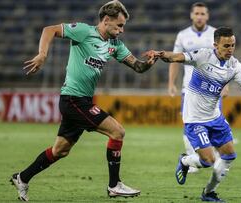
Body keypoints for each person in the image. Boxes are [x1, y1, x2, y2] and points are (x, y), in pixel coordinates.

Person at [10, 1, 158, 201]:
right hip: (73, 99)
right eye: (119, 25)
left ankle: (23, 177)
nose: (122, 30)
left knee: (60, 151)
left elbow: (138, 67)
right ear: (106, 21)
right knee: (118, 131)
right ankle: (115, 185)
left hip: (82, 100)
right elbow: (49, 29)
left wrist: (149, 63)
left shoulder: (115, 45)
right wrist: (43, 54)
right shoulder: (83, 31)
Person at [145, 27, 241, 202]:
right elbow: (177, 57)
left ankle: (209, 193)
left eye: (233, 45)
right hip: (194, 119)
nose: (230, 49)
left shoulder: (234, 66)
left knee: (229, 155)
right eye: (226, 46)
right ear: (215, 44)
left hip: (215, 117)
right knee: (208, 161)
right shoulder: (203, 56)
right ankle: (185, 161)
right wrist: (159, 54)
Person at [168, 2, 229, 174]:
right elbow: (174, 59)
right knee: (190, 123)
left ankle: (208, 157)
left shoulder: (216, 34)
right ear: (191, 15)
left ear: (207, 16)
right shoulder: (182, 35)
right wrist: (171, 83)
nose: (200, 16)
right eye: (197, 13)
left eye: (203, 13)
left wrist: (226, 85)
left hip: (213, 89)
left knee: (213, 122)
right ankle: (191, 156)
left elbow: (226, 61)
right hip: (189, 89)